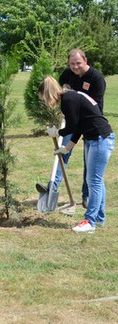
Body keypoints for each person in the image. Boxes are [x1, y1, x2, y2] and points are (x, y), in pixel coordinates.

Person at [39, 76, 114, 233]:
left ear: (48, 94)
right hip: (97, 138)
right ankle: (99, 218)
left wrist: (58, 132)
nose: (46, 103)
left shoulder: (68, 99)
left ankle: (90, 222)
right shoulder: (72, 96)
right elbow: (79, 127)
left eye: (44, 99)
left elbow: (72, 126)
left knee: (93, 181)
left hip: (99, 138)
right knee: (97, 181)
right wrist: (67, 147)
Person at [54, 49, 106, 207]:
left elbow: (94, 104)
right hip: (73, 121)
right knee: (63, 151)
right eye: (72, 64)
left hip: (91, 123)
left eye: (78, 63)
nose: (75, 67)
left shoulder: (96, 78)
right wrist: (65, 111)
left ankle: (86, 195)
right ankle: (52, 187)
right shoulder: (67, 74)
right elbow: (60, 91)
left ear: (85, 61)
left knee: (89, 163)